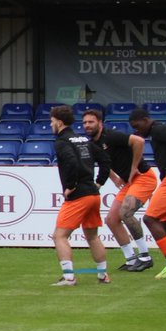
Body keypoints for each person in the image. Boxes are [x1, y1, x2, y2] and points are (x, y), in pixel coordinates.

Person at [83, 109, 156, 271]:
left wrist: (134, 168)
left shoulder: (111, 136)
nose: (87, 125)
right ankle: (131, 259)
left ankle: (145, 256)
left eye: (91, 122)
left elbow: (139, 141)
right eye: (85, 122)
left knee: (126, 213)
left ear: (100, 123)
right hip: (129, 182)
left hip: (144, 177)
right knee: (111, 219)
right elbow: (103, 163)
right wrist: (115, 178)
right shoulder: (92, 144)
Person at [49, 104, 112, 286]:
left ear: (59, 123)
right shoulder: (83, 140)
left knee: (59, 236)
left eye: (52, 122)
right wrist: (99, 182)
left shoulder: (62, 141)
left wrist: (70, 185)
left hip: (79, 195)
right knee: (92, 236)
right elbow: (106, 160)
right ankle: (102, 275)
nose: (51, 125)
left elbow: (70, 161)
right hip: (93, 194)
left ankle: (69, 277)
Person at [128, 108, 166, 279]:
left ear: (146, 120)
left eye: (137, 125)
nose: (137, 130)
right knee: (163, 224)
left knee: (150, 219)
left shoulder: (159, 130)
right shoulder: (156, 133)